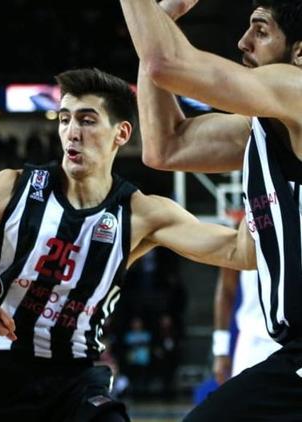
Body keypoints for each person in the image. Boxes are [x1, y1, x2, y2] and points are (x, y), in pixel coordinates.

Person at [0, 68, 255, 422]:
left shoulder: (142, 213)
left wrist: (272, 165)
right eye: (64, 119)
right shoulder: (12, 189)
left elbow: (240, 252)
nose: (72, 132)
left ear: (121, 134)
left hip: (73, 380)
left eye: (87, 120)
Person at [120, 0, 302, 418]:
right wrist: (159, 23)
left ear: (299, 52)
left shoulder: (298, 91)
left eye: (261, 30)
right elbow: (166, 145)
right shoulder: (261, 130)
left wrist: (154, 25)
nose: (243, 42)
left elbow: (167, 62)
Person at [212, 268, 280, 384]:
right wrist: (220, 351)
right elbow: (227, 289)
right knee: (240, 400)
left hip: (295, 338)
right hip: (253, 340)